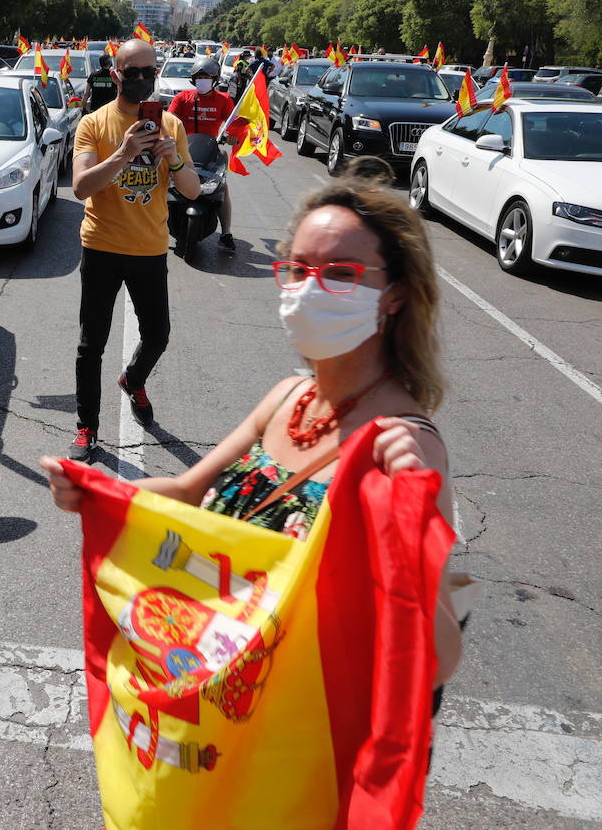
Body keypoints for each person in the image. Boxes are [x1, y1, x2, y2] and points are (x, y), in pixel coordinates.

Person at [41, 165, 463, 681]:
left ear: (395, 294)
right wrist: (98, 492)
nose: (310, 289)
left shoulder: (405, 444)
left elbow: (438, 660)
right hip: (225, 699)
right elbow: (188, 489)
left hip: (297, 730)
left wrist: (410, 522)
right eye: (299, 269)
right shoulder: (289, 397)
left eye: (340, 273)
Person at [68, 39, 202, 461]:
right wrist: (125, 153)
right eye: (134, 72)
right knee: (92, 345)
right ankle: (87, 426)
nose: (143, 79)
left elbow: (193, 190)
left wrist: (174, 161)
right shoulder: (94, 123)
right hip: (102, 247)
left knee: (158, 334)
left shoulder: (172, 125)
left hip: (149, 249)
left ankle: (133, 379)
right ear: (117, 76)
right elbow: (80, 187)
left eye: (150, 71)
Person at [167, 56, 245, 249]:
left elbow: (234, 125)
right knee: (162, 183)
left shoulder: (224, 100)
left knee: (223, 188)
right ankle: (156, 223)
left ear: (215, 79)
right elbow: (169, 120)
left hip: (210, 153)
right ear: (193, 79)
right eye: (199, 76)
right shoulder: (182, 98)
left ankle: (226, 232)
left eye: (207, 77)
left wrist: (234, 135)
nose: (203, 80)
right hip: (183, 151)